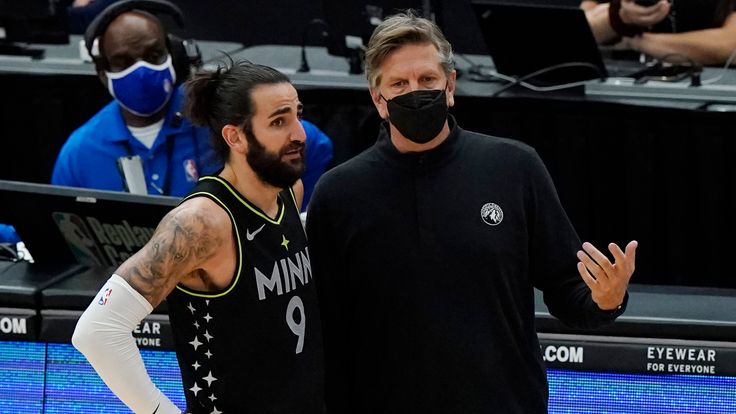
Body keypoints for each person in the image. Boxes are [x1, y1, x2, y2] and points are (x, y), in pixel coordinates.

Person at [306, 11, 637, 414]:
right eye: (399, 84)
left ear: (450, 86)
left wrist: (606, 299)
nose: (416, 92)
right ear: (378, 99)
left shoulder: (514, 168)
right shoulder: (340, 194)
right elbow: (327, 328)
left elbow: (567, 288)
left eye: (427, 79)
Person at [72, 60, 325, 413]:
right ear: (235, 136)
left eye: (298, 115)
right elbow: (97, 332)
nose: (300, 132)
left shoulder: (288, 193)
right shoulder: (200, 223)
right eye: (279, 121)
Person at [52, 0, 333, 203]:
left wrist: (296, 220)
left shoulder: (218, 113)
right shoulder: (81, 151)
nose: (140, 71)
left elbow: (313, 145)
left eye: (152, 56)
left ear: (175, 56)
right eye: (123, 62)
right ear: (103, 73)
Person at [582, 0, 736, 65]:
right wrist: (621, 17)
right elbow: (579, 30)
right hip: (622, 95)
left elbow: (728, 46)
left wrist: (635, 41)